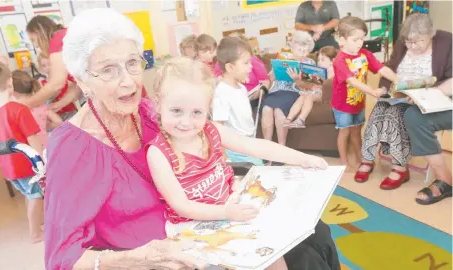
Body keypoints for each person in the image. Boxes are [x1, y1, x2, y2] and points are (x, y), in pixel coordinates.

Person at [44, 8, 342, 270]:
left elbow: (224, 141)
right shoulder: (72, 148)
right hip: (156, 255)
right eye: (108, 69)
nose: (127, 80)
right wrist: (137, 259)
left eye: (133, 63)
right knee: (303, 260)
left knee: (314, 233)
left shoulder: (152, 112)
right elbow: (61, 258)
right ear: (82, 80)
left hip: (209, 224)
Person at [148, 55, 331, 269]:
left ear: (207, 108)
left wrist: (302, 158)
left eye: (196, 112)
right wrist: (226, 212)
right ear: (158, 104)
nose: (186, 122)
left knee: (276, 252)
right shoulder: (158, 152)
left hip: (229, 209)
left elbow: (254, 146)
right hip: (193, 227)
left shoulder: (210, 130)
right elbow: (182, 206)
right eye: (176, 111)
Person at [356, 13, 452, 191]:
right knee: (379, 109)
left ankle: (400, 168)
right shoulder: (403, 42)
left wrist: (425, 94)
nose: (412, 46)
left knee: (396, 114)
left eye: (418, 42)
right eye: (408, 42)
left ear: (431, 35)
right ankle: (367, 159)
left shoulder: (446, 42)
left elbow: (450, 78)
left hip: (428, 97)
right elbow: (390, 67)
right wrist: (384, 89)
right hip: (401, 93)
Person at [332, 16, 396, 170]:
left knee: (356, 130)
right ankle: (344, 161)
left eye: (362, 39)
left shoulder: (365, 54)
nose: (360, 43)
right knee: (345, 132)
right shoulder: (339, 60)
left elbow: (381, 68)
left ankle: (361, 158)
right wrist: (373, 91)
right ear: (342, 40)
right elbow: (353, 81)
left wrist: (397, 79)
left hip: (358, 103)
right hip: (342, 105)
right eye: (355, 40)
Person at [0, 60, 44, 243]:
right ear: (10, 82)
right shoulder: (19, 110)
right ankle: (35, 233)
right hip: (27, 166)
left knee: (29, 195)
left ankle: (38, 222)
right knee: (36, 196)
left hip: (8, 170)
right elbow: (33, 138)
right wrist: (41, 164)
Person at [261, 30, 315, 161]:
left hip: (293, 92)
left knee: (279, 111)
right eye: (299, 49)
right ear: (292, 47)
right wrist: (272, 77)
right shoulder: (283, 57)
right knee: (266, 109)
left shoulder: (310, 63)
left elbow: (309, 87)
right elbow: (270, 78)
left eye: (305, 50)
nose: (302, 53)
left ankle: (282, 149)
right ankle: (266, 150)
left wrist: (297, 80)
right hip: (276, 91)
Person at [212, 37, 264, 165]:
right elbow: (218, 127)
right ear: (230, 67)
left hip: (249, 144)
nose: (251, 67)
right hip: (236, 151)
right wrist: (223, 154)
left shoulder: (241, 88)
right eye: (246, 63)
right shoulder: (222, 92)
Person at [23, 15, 80, 119]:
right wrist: (58, 105)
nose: (35, 45)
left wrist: (24, 105)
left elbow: (56, 84)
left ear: (39, 33)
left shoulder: (58, 40)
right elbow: (77, 87)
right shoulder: (64, 35)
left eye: (33, 40)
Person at [285, 46, 338, 128]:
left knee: (309, 96)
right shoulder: (320, 70)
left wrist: (317, 82)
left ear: (332, 61)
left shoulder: (332, 70)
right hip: (316, 91)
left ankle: (301, 119)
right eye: (319, 60)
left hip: (325, 95)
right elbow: (313, 85)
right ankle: (288, 119)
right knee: (302, 97)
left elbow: (327, 84)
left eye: (323, 60)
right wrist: (303, 79)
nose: (319, 62)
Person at [11, 70, 62, 145]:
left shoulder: (14, 109)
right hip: (46, 146)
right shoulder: (41, 104)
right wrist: (44, 126)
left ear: (13, 91)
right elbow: (59, 122)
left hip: (29, 150)